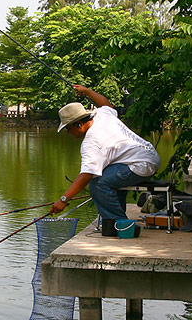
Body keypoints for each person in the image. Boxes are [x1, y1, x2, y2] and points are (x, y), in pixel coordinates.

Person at [49, 85, 160, 222]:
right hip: (149, 154)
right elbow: (107, 104)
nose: (68, 133)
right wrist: (87, 91)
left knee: (98, 184)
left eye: (68, 128)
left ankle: (120, 223)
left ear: (79, 124)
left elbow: (86, 175)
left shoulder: (91, 142)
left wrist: (64, 199)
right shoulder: (101, 115)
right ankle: (113, 218)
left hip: (140, 165)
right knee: (106, 174)